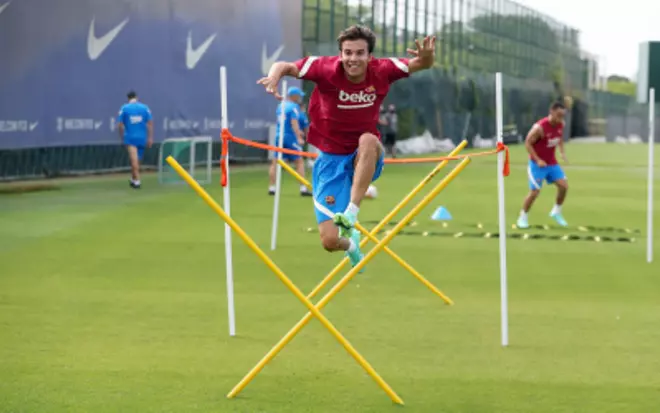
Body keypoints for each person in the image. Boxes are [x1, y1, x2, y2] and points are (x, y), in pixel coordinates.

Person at [257, 25, 435, 271]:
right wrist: (274, 77)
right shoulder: (324, 68)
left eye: (359, 53)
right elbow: (285, 66)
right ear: (340, 54)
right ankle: (352, 246)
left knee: (368, 139)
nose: (353, 59)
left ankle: (351, 212)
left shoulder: (383, 69)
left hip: (364, 155)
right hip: (330, 160)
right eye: (348, 53)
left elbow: (421, 64)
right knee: (329, 241)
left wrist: (426, 58)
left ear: (369, 56)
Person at [516, 101, 569, 229]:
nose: (560, 119)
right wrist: (538, 159)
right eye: (558, 115)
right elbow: (527, 143)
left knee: (564, 186)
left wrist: (561, 152)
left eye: (562, 116)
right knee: (535, 192)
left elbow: (559, 137)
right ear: (551, 112)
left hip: (551, 163)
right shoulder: (539, 128)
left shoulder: (561, 124)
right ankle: (522, 217)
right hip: (537, 165)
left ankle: (556, 212)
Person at [269, 86, 311, 197]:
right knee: (299, 161)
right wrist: (299, 137)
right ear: (294, 96)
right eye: (298, 96)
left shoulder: (280, 106)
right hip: (290, 137)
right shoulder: (294, 107)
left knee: (275, 162)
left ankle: (272, 187)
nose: (299, 98)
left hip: (279, 135)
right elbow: (294, 122)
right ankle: (303, 188)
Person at [117, 90, 153, 189]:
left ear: (128, 98)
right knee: (137, 161)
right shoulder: (145, 108)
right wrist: (150, 138)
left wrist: (122, 136)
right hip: (142, 138)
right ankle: (134, 179)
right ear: (136, 97)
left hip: (130, 137)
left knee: (134, 161)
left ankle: (136, 180)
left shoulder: (124, 108)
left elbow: (120, 125)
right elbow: (150, 123)